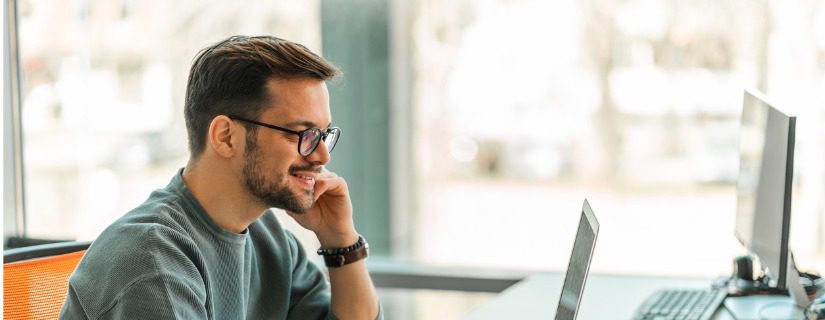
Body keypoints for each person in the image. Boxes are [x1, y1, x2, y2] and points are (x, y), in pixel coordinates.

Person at [59, 35, 382, 320]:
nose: (322, 155)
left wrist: (341, 241)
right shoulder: (153, 261)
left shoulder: (268, 238)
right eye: (302, 134)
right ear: (226, 137)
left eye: (323, 134)